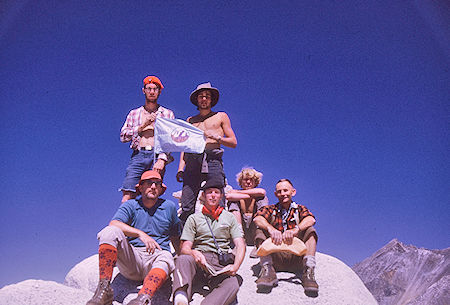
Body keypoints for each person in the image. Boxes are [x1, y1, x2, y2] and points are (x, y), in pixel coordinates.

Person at [86, 170, 182, 305]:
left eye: (157, 184)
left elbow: (175, 236)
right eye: (149, 183)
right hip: (132, 260)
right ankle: (104, 290)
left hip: (157, 259)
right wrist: (140, 234)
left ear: (161, 189)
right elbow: (114, 223)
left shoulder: (169, 207)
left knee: (167, 256)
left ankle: (143, 298)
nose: (153, 187)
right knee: (110, 232)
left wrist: (182, 259)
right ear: (141, 187)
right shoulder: (130, 205)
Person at [172, 179, 246, 305]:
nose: (213, 195)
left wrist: (235, 267)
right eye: (209, 192)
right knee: (183, 259)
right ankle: (181, 298)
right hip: (199, 261)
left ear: (221, 196)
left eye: (216, 192)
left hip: (219, 264)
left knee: (233, 282)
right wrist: (194, 253)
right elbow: (185, 248)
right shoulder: (194, 218)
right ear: (203, 195)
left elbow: (240, 244)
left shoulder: (229, 217)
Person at [176, 82, 237, 224]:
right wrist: (180, 168)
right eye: (201, 96)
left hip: (213, 159)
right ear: (197, 99)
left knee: (217, 199)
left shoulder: (221, 116)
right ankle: (186, 240)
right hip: (192, 161)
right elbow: (185, 146)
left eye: (207, 97)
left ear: (211, 100)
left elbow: (233, 142)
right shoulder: (190, 121)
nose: (204, 99)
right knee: (187, 203)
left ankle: (220, 237)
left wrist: (218, 138)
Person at [253, 179, 319, 295]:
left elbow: (311, 219)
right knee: (260, 229)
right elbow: (257, 218)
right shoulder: (271, 209)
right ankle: (267, 270)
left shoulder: (300, 209)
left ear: (293, 192)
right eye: (279, 191)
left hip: (297, 258)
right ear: (275, 194)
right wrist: (270, 228)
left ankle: (308, 271)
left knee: (310, 230)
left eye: (285, 190)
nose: (283, 194)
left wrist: (296, 229)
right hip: (275, 259)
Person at [119, 76, 175, 203]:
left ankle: (148, 222)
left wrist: (162, 159)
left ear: (159, 92)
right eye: (149, 88)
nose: (152, 91)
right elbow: (123, 136)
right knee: (128, 193)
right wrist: (142, 126)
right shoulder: (134, 113)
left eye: (155, 89)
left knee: (152, 193)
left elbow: (170, 140)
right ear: (143, 90)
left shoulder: (167, 114)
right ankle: (122, 222)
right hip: (139, 154)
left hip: (157, 154)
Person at [226, 167, 268, 257]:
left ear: (255, 182)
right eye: (245, 180)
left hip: (255, 228)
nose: (248, 182)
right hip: (241, 231)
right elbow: (229, 196)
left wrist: (239, 193)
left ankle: (259, 244)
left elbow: (262, 192)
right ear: (241, 182)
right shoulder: (237, 195)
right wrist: (247, 195)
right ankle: (239, 244)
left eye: (251, 180)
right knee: (233, 201)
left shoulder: (257, 194)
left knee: (262, 200)